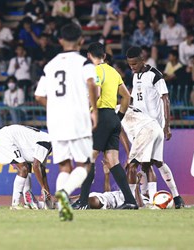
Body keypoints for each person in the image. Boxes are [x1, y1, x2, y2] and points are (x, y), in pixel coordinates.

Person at [35, 23, 98, 221]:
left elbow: (38, 95)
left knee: (64, 166)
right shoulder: (84, 64)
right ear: (81, 40)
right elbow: (91, 83)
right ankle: (64, 194)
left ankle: (63, 208)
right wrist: (94, 110)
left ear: (60, 41)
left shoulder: (50, 65)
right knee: (84, 165)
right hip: (78, 119)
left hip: (56, 122)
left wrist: (54, 109)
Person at [72, 42, 138, 211]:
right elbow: (127, 96)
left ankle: (83, 201)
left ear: (88, 56)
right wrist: (118, 118)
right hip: (112, 117)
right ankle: (130, 201)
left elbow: (97, 92)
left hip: (100, 116)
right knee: (113, 161)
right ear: (104, 55)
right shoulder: (113, 71)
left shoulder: (95, 70)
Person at [126, 46, 185, 208]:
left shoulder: (155, 75)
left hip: (153, 125)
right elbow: (134, 98)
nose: (132, 67)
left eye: (135, 64)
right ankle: (171, 197)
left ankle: (145, 198)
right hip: (139, 124)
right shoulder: (134, 75)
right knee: (152, 162)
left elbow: (165, 99)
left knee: (150, 162)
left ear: (142, 60)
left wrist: (167, 126)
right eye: (130, 65)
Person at [119, 105, 185, 208]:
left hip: (145, 130)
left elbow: (120, 132)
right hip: (156, 127)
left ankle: (130, 201)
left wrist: (128, 155)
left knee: (132, 166)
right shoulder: (128, 106)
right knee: (153, 163)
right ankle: (174, 198)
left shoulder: (114, 111)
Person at [0, 125, 52, 210]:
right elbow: (36, 166)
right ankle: (15, 204)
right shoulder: (47, 142)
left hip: (8, 137)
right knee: (23, 169)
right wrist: (43, 187)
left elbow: (42, 170)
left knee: (26, 167)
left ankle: (28, 202)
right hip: (5, 138)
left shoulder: (47, 141)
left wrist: (47, 191)